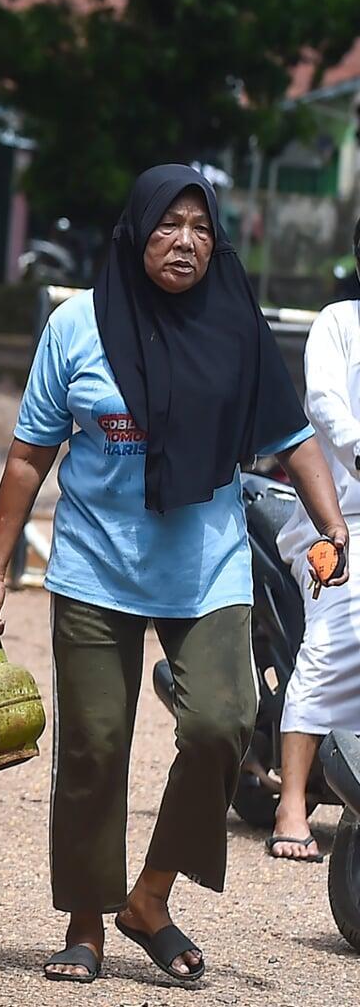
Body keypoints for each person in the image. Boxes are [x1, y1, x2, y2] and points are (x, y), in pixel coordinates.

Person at [0, 164, 349, 984]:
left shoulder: (238, 330)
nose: (185, 241)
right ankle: (85, 919)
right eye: (169, 225)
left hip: (205, 568)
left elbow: (293, 436)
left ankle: (148, 898)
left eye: (201, 227)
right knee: (97, 746)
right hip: (95, 568)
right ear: (136, 230)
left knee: (223, 719)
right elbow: (31, 453)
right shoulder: (75, 328)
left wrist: (332, 522)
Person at [270, 217, 360, 862]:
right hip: (340, 521)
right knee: (338, 637)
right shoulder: (338, 323)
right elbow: (324, 401)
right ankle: (292, 801)